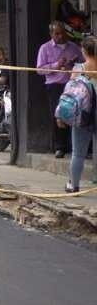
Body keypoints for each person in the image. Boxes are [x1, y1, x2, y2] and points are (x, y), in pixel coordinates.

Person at [37, 21, 84, 158]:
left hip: (73, 85)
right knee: (59, 115)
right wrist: (56, 65)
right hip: (55, 86)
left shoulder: (73, 47)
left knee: (76, 114)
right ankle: (60, 147)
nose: (60, 36)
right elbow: (39, 70)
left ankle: (74, 146)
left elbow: (83, 62)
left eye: (62, 33)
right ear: (51, 34)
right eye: (57, 33)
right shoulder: (45, 48)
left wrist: (73, 65)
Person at [62, 36, 97, 193]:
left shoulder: (78, 68)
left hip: (82, 113)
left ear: (84, 51)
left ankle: (73, 185)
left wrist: (60, 115)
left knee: (78, 153)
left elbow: (69, 93)